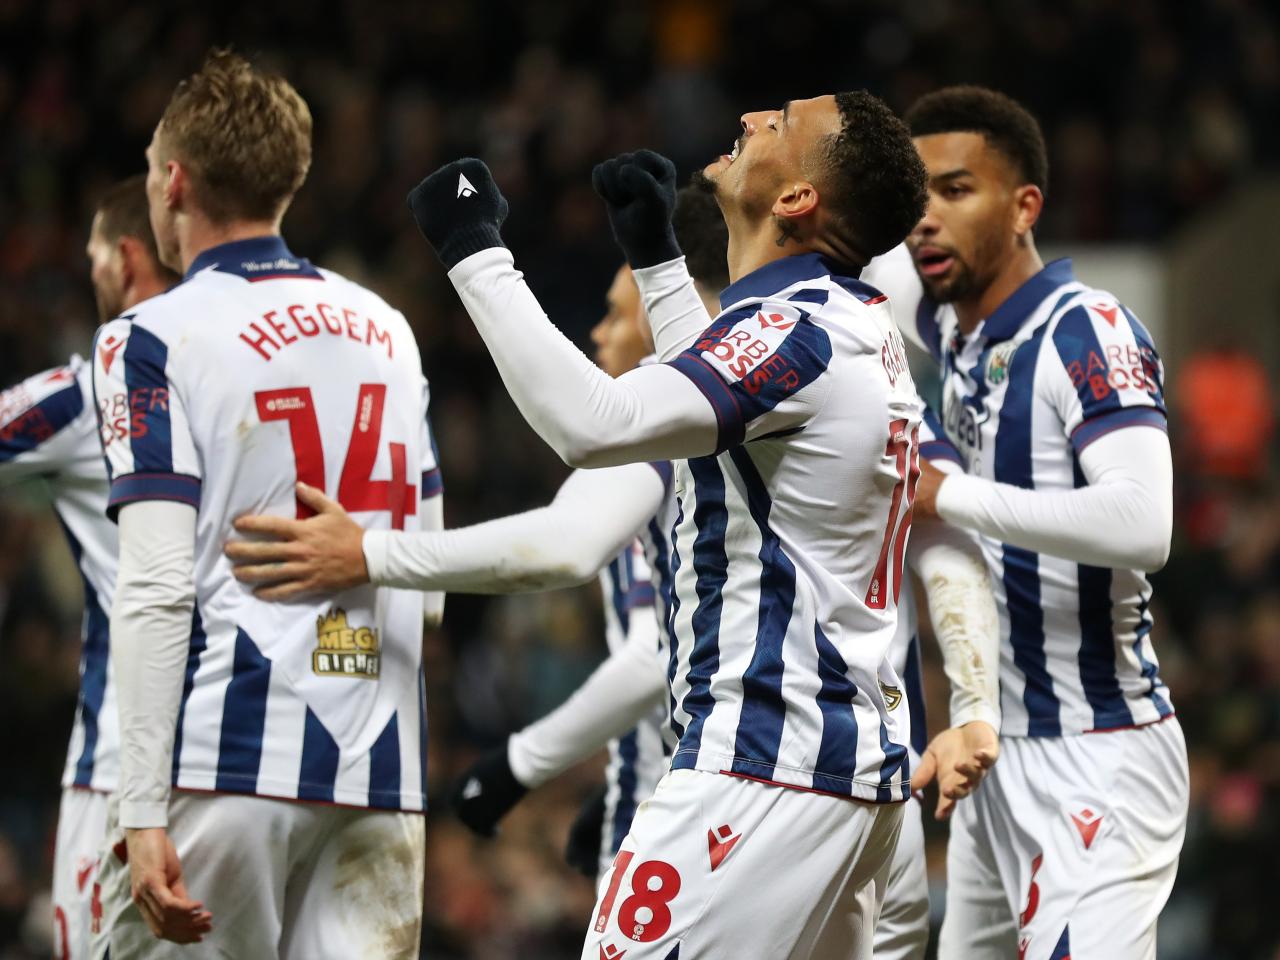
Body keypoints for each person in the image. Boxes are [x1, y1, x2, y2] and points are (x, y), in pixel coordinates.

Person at [405, 91, 991, 959]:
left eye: (782, 124)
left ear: (796, 200)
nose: (755, 118)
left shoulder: (797, 334)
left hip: (762, 769)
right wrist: (657, 263)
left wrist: (474, 249)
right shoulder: (846, 320)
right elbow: (731, 433)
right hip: (846, 775)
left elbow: (594, 423)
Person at [226, 186, 729, 881]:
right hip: (796, 769)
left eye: (619, 315)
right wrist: (634, 784)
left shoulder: (687, 402)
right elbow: (694, 637)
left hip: (755, 777)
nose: (601, 335)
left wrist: (369, 554)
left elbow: (566, 547)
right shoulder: (801, 367)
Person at [89, 50, 441, 960]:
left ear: (172, 182)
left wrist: (138, 805)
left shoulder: (150, 335)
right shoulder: (389, 330)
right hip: (382, 765)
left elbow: (158, 585)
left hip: (226, 756)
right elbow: (430, 583)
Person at [864, 85, 1186, 960]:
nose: (925, 220)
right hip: (994, 749)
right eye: (913, 198)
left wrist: (946, 492)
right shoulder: (955, 326)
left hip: (1098, 753)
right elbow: (858, 271)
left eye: (956, 191)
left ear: (1024, 206)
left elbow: (1143, 523)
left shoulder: (1088, 330)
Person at [0, 175, 176, 960]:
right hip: (244, 752)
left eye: (95, 255)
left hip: (116, 761)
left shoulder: (91, 388)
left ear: (127, 256)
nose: (92, 270)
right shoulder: (253, 373)